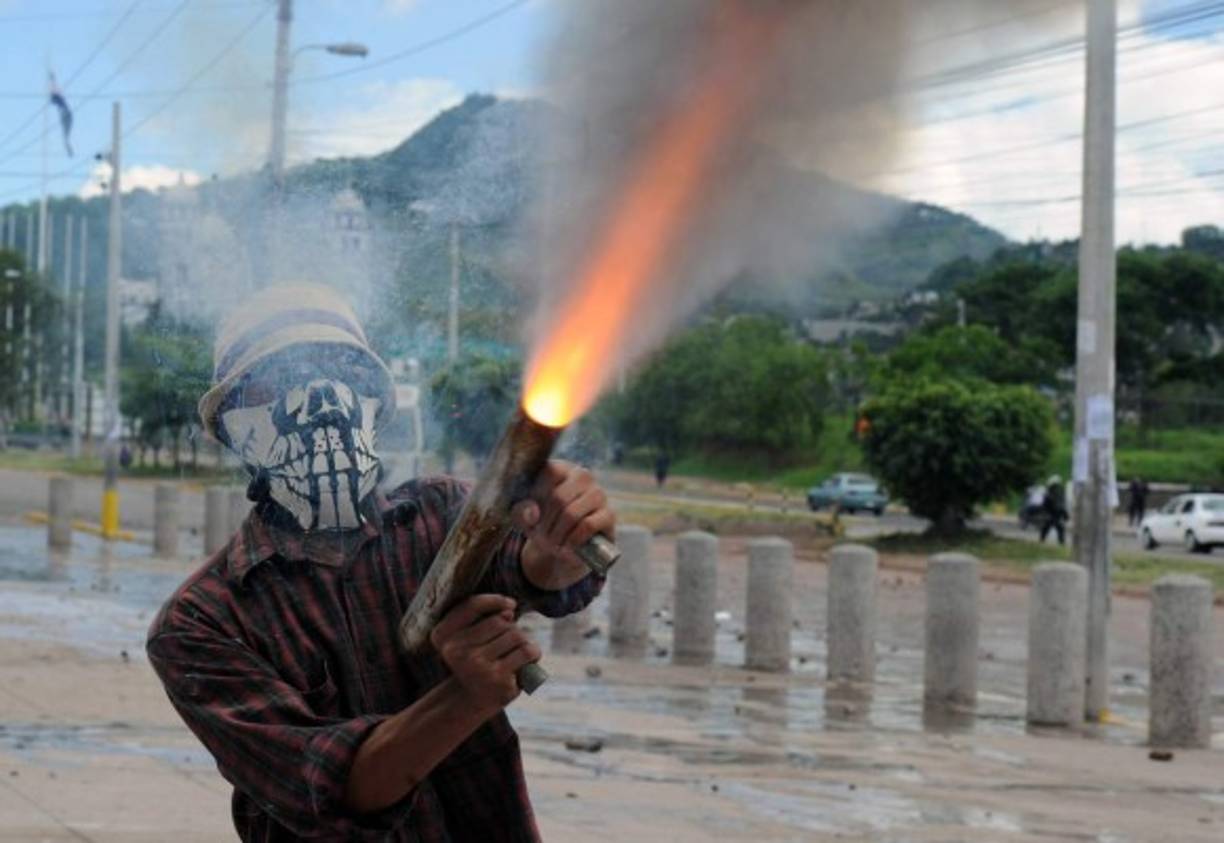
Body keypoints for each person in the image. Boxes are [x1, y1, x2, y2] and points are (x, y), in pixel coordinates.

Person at [146, 285, 612, 842]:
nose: (322, 398)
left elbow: (535, 570)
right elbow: (327, 789)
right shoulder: (202, 623)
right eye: (280, 380)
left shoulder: (440, 514)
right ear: (237, 431)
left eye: (343, 373)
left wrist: (563, 541)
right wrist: (465, 695)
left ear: (374, 407)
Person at [1039, 474, 1068, 545]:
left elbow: (1060, 505)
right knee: (1047, 528)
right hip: (1051, 514)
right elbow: (1046, 505)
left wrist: (1064, 514)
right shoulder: (1050, 494)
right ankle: (1042, 541)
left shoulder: (1057, 493)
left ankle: (1061, 542)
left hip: (1055, 514)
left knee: (1058, 529)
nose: (1057, 488)